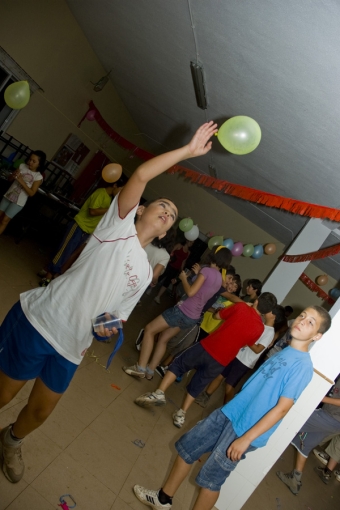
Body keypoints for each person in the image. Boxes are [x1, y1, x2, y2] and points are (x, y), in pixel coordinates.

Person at [0, 120, 218, 484]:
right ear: (143, 211)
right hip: (41, 320)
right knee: (5, 393)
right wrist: (188, 151)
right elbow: (144, 174)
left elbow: (117, 315)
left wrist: (107, 328)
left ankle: (10, 440)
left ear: (166, 233)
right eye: (162, 205)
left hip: (73, 345)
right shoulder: (117, 227)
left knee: (39, 411)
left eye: (172, 217)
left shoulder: (147, 272)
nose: (167, 212)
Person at [132, 306, 331, 510]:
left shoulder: (302, 366)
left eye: (310, 322)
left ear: (317, 336)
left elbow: (282, 409)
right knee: (187, 449)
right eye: (302, 316)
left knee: (210, 480)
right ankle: (163, 499)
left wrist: (246, 439)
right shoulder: (286, 351)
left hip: (245, 429)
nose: (302, 321)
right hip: (230, 412)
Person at [134, 293, 277, 428]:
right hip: (222, 361)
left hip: (207, 346)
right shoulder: (259, 328)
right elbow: (247, 344)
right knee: (199, 383)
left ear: (256, 301)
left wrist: (223, 311)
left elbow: (217, 316)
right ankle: (181, 414)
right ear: (267, 311)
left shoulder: (241, 307)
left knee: (179, 364)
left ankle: (159, 393)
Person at [123, 245, 232, 381]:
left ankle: (140, 368)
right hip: (192, 316)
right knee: (163, 339)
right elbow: (203, 291)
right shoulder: (219, 279)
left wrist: (183, 278)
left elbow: (191, 292)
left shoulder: (207, 271)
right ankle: (150, 371)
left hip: (183, 310)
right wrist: (199, 274)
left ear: (215, 255)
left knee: (150, 330)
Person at [195, 305, 286, 408]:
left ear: (274, 316)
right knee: (219, 375)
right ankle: (205, 396)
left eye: (270, 310)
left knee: (229, 385)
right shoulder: (260, 324)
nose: (266, 310)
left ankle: (228, 409)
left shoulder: (270, 332)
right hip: (237, 354)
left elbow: (258, 350)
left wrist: (247, 339)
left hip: (245, 362)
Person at [38, 179, 124, 285]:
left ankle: (49, 273)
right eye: (121, 189)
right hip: (79, 225)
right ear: (115, 185)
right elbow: (92, 211)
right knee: (63, 251)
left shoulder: (110, 198)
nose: (121, 193)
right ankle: (47, 277)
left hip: (87, 230)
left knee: (68, 254)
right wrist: (110, 209)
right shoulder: (101, 193)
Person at [277, 374, 340, 495]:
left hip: (330, 418)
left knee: (287, 420)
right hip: (333, 422)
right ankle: (295, 480)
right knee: (304, 443)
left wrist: (322, 398)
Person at [0, 150, 46, 235]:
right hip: (9, 195)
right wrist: (13, 175)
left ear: (39, 164)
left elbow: (31, 193)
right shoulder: (22, 166)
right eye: (30, 159)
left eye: (34, 161)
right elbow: (9, 179)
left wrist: (21, 181)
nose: (30, 162)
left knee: (5, 220)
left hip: (19, 202)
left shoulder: (38, 176)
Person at [153, 239, 193, 304]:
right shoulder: (179, 245)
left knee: (167, 282)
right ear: (187, 241)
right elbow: (170, 252)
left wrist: (181, 270)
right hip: (169, 265)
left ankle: (158, 296)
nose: (191, 244)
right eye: (191, 242)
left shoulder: (188, 252)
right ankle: (149, 288)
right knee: (160, 276)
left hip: (176, 269)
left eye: (192, 243)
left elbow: (183, 262)